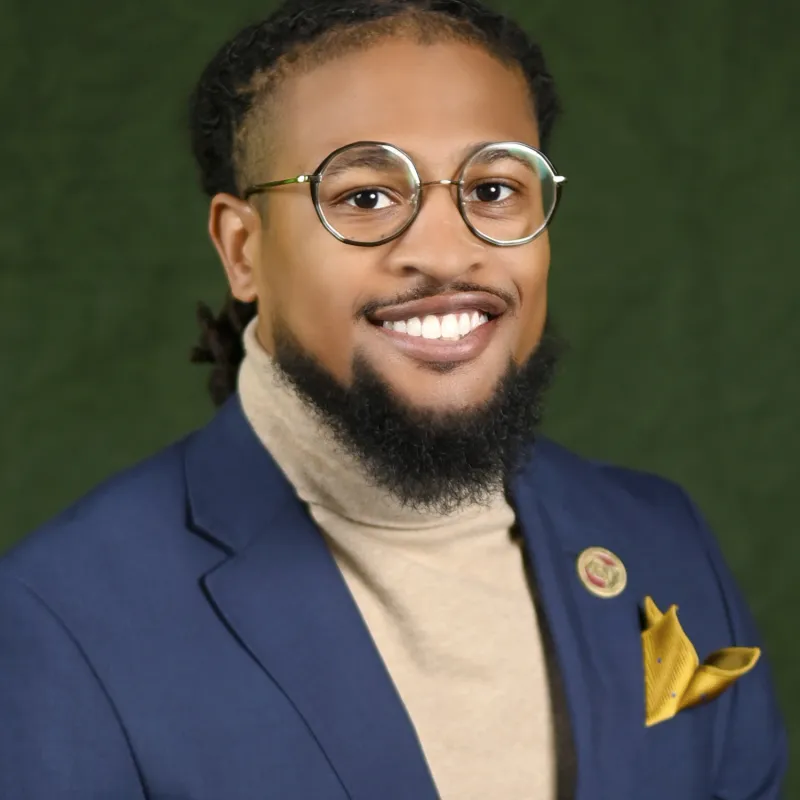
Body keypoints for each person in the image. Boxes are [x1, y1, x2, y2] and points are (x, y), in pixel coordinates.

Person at [0, 0, 786, 797]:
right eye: (365, 197)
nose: (449, 251)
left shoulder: (661, 539)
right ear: (243, 250)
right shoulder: (55, 621)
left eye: (492, 188)